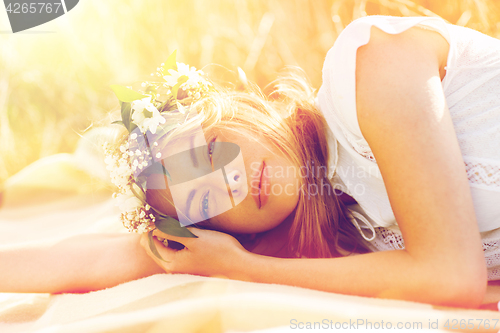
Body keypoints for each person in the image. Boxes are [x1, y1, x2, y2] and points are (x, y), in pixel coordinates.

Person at [1, 14, 499, 309]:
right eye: (203, 197)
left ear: (241, 106)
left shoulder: (370, 67)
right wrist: (230, 259)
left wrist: (244, 268)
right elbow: (101, 257)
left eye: (212, 150)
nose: (229, 179)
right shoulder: (333, 225)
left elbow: (451, 277)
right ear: (225, 228)